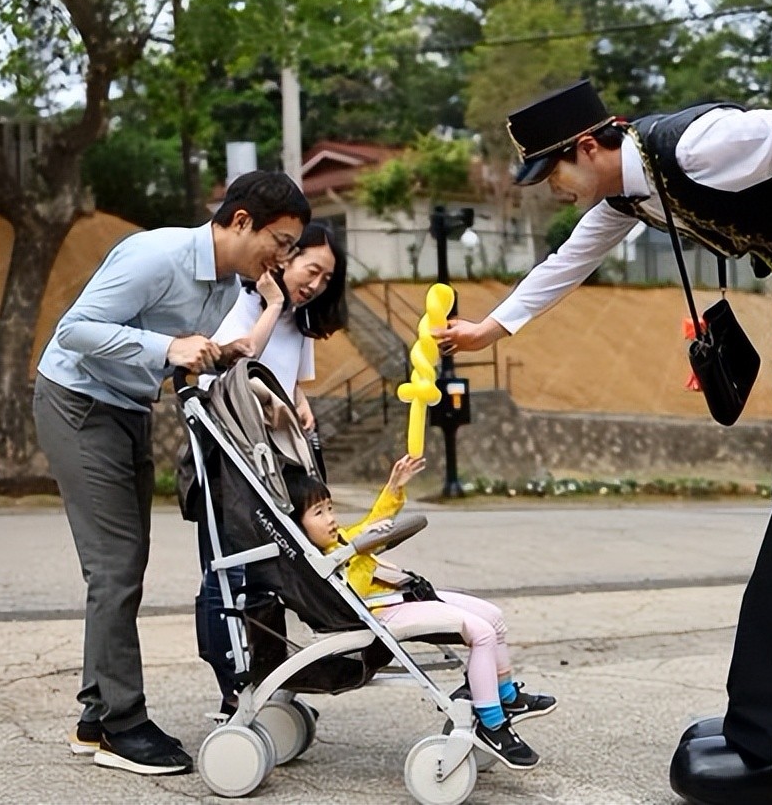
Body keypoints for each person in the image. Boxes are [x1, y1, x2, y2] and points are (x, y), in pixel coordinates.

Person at [434, 80, 772, 804]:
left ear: (588, 147)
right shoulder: (625, 192)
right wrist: (489, 329)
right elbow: (566, 263)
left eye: (552, 172)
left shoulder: (693, 146)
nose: (550, 190)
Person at [33, 170, 310, 776]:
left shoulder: (224, 284)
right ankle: (120, 724)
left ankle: (94, 715)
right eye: (282, 242)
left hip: (126, 407)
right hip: (77, 402)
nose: (283, 258)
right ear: (242, 222)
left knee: (123, 564)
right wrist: (168, 350)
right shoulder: (156, 255)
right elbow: (74, 331)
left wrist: (221, 357)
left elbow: (185, 351)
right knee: (115, 567)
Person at [282, 454, 556, 770]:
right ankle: (491, 724)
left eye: (330, 508)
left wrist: (393, 486)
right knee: (480, 632)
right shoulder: (315, 562)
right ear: (296, 525)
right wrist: (362, 546)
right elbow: (353, 584)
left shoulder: (340, 542)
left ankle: (506, 695)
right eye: (319, 512)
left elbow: (372, 522)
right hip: (381, 613)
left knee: (492, 616)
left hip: (402, 597)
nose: (331, 518)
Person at [194, 220, 348, 714]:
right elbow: (229, 367)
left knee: (269, 576)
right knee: (228, 576)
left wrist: (300, 404)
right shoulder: (246, 304)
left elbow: (290, 384)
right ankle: (232, 687)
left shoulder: (299, 324)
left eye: (326, 278)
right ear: (285, 258)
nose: (316, 283)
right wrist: (275, 303)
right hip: (229, 464)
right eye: (312, 269)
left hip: (272, 471)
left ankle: (265, 681)